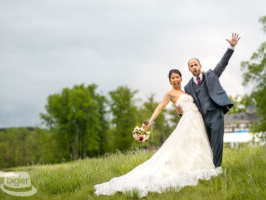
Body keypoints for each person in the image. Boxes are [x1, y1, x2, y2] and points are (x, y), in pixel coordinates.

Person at [94, 69, 221, 198]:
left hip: (197, 119)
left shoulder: (186, 91)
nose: (175, 80)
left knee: (197, 145)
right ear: (170, 81)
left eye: (177, 77)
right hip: (188, 121)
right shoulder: (170, 94)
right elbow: (160, 107)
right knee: (183, 146)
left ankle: (199, 166)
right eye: (172, 78)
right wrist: (149, 121)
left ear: (181, 78)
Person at [179, 33, 240, 169]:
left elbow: (222, 63)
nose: (194, 67)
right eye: (191, 66)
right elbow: (189, 105)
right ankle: (206, 168)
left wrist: (231, 47)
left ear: (200, 65)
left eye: (196, 64)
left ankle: (216, 169)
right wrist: (181, 112)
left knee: (217, 143)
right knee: (205, 145)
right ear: (189, 69)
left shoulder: (211, 75)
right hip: (202, 118)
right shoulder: (188, 87)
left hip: (216, 114)